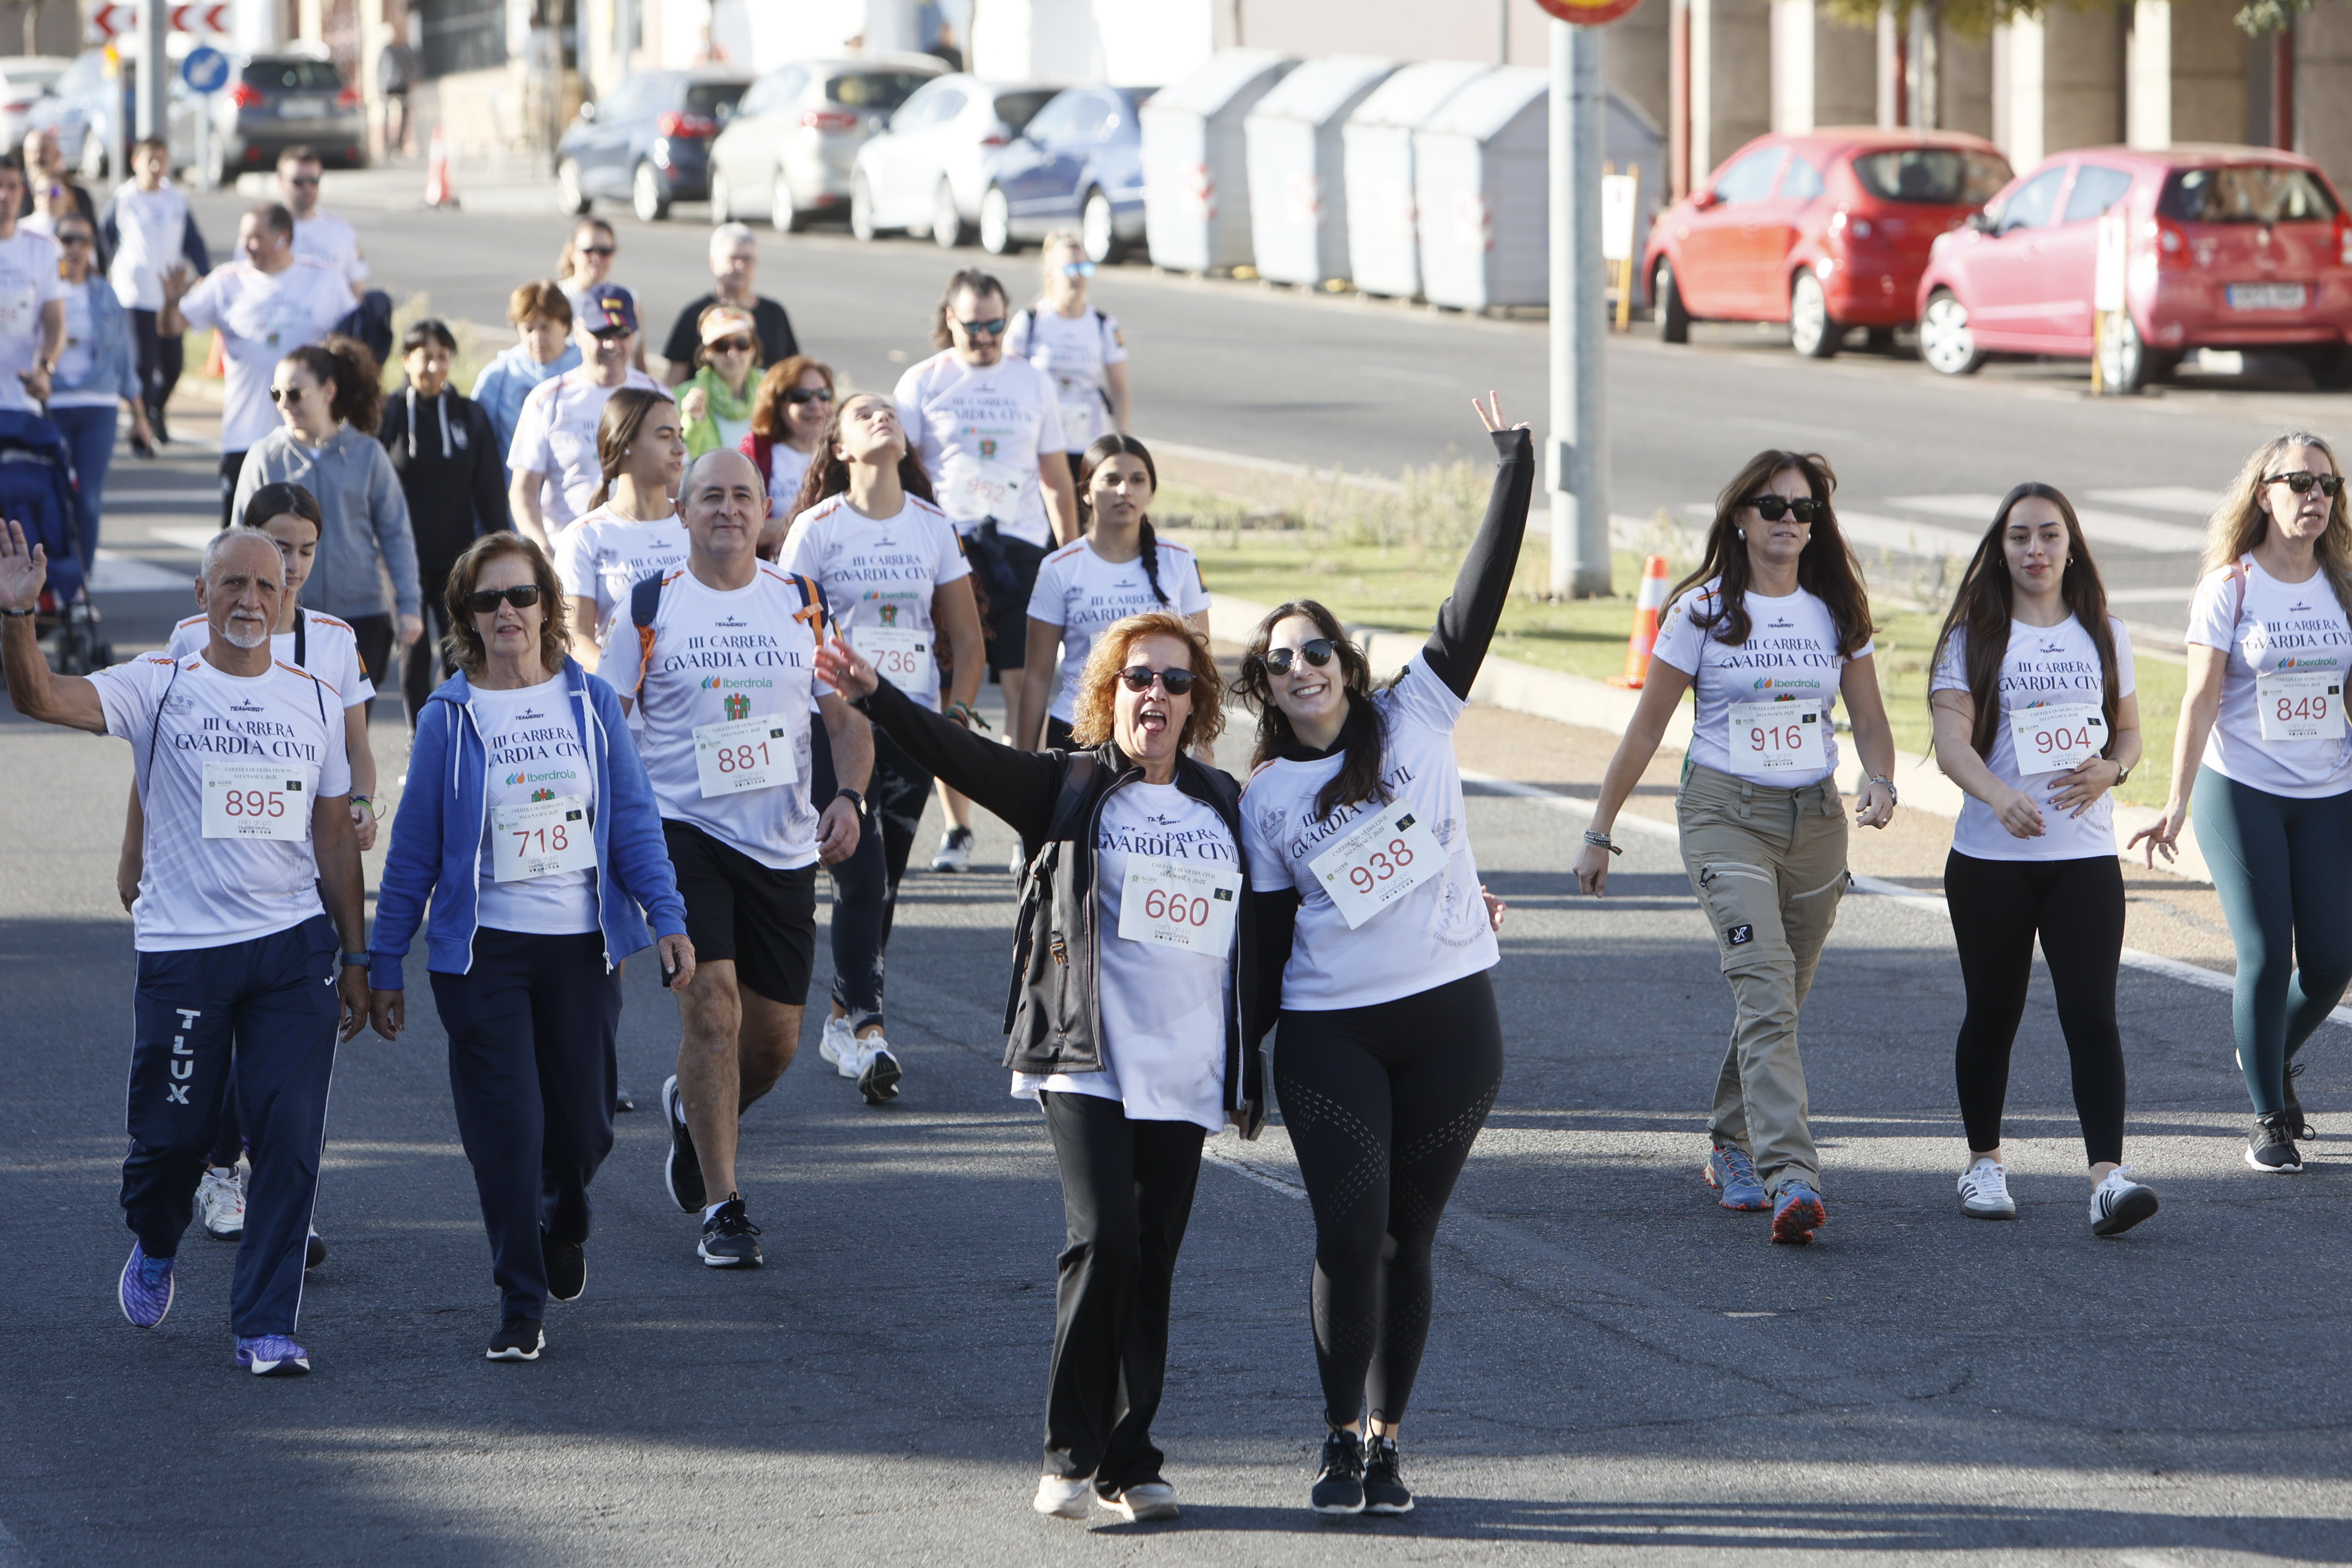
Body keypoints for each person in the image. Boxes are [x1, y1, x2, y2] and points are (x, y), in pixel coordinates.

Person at [814, 607, 1263, 1526]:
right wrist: (877, 697)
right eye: (1140, 678)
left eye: (1176, 683)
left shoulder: (1222, 802)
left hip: (1185, 1065)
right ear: (1111, 692)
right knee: (1108, 1240)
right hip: (1085, 1056)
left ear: (1196, 703)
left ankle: (1131, 1462)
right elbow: (955, 752)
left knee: (1155, 1261)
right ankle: (1068, 1455)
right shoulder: (1067, 786)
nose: (1157, 696)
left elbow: (1288, 904)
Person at [1230, 398, 1526, 1517]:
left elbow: (1478, 596)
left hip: (1454, 1026)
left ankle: (1390, 1438)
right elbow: (1262, 946)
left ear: (1347, 665)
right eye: (1278, 660)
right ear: (1264, 688)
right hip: (1329, 1036)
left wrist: (1514, 468)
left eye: (1316, 649)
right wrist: (1240, 1063)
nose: (1301, 666)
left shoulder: (1418, 719)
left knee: (1410, 1238)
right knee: (1348, 1233)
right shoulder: (1266, 798)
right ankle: (1336, 1438)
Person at [0, 521, 369, 1377]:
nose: (248, 601)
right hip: (187, 950)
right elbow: (42, 700)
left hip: (289, 949)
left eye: (266, 588)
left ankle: (266, 1324)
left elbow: (335, 841)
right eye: (231, 585)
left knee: (289, 1137)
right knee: (170, 1140)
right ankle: (157, 1237)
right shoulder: (159, 684)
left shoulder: (313, 697)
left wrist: (357, 958)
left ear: (286, 602)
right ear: (201, 596)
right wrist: (17, 619)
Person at [368, 531, 694, 1362]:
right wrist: (381, 962)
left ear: (550, 606)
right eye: (487, 600)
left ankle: (564, 1214)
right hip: (483, 957)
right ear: (466, 618)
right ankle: (519, 1302)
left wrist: (668, 916)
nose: (506, 611)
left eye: (521, 596)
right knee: (507, 1130)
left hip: (580, 949)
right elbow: (411, 854)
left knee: (584, 1130)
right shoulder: (451, 713)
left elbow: (631, 820)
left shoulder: (587, 704)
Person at [1574, 449, 1898, 1248]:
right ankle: (1793, 1175)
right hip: (1725, 813)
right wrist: (1599, 829)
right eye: (1774, 506)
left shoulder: (1834, 610)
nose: (1790, 520)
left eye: (1804, 509)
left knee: (1777, 997)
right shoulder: (1702, 610)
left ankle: (1729, 1139)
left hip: (1817, 820)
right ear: (1741, 518)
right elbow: (1647, 727)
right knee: (1762, 983)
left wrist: (1880, 779)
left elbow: (1869, 720)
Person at [597, 450, 870, 1268]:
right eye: (709, 496)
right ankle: (724, 1205)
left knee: (774, 1043)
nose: (726, 509)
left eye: (742, 496)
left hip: (782, 845)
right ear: (681, 511)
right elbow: (608, 729)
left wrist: (848, 797)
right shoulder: (648, 607)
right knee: (713, 1011)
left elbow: (847, 720)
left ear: (767, 512)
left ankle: (695, 1106)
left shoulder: (802, 603)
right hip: (680, 833)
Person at [133, 486, 380, 1254]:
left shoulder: (335, 641)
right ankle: (210, 1168)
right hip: (210, 875)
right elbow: (153, 755)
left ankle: (271, 1197)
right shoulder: (189, 635)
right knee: (213, 1051)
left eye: (303, 550)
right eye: (278, 548)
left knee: (282, 1053)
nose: (292, 565)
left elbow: (355, 747)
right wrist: (131, 851)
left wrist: (362, 801)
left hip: (304, 875)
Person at [1928, 484, 2159, 1236]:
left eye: (2049, 535)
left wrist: (2111, 770)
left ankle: (2106, 1178)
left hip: (2083, 856)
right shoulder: (1972, 634)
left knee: (2091, 1013)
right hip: (1991, 857)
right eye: (2020, 536)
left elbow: (2127, 735)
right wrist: (1998, 796)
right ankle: (1983, 1163)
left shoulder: (2102, 630)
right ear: (2000, 547)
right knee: (1993, 1013)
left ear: (2070, 545)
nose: (2035, 550)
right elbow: (1953, 742)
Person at [2130, 432, 2352, 1175]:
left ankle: (2264, 1049)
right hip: (2242, 787)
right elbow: (2197, 700)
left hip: (2329, 790)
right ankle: (2267, 1117)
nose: (2314, 497)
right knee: (2264, 952)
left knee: (2331, 961)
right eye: (2298, 483)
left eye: (2327, 484)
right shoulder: (2231, 585)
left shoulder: (2342, 582)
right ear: (2263, 494)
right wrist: (2175, 801)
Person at [778, 390, 983, 1102]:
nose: (883, 416)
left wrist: (953, 713)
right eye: (864, 412)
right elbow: (789, 629)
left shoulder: (932, 525)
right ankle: (868, 1029)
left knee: (884, 881)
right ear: (839, 447)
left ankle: (840, 1014)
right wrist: (829, 704)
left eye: (890, 410)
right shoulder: (816, 527)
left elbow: (968, 640)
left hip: (912, 726)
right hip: (835, 725)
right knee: (860, 876)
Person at [892, 266, 1077, 873]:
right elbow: (907, 475)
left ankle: (1025, 821)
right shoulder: (922, 383)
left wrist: (1073, 549)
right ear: (950, 320)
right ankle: (958, 826)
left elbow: (1055, 473)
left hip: (1019, 545)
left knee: (1025, 683)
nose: (986, 337)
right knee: (955, 688)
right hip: (950, 548)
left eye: (997, 324)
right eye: (974, 326)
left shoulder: (1032, 382)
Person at [231, 338, 422, 714]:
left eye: (295, 393)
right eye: (276, 393)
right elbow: (237, 541)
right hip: (283, 621)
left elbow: (396, 534)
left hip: (362, 618)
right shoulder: (264, 457)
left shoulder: (368, 454)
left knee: (350, 741)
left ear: (328, 391)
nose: (284, 403)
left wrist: (409, 605)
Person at [159, 203, 352, 525]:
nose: (246, 245)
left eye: (255, 237)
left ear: (283, 239)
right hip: (244, 439)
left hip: (307, 437)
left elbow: (353, 347)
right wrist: (170, 300)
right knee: (240, 539)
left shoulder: (325, 282)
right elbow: (170, 327)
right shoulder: (226, 281)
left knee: (304, 541)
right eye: (244, 237)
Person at [1021, 435, 1207, 753]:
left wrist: (1205, 746)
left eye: (1137, 480)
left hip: (1158, 731)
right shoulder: (1059, 568)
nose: (1125, 490)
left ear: (1150, 493)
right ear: (1086, 492)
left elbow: (1202, 668)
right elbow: (1037, 678)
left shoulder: (1180, 561)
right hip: (1078, 732)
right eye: (1112, 480)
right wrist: (1023, 762)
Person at [380, 318, 511, 729]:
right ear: (406, 360)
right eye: (424, 358)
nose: (434, 367)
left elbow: (489, 488)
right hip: (404, 558)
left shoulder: (467, 415)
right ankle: (419, 738)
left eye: (442, 358)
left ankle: (450, 729)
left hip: (459, 560)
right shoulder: (390, 413)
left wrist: (499, 551)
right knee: (414, 653)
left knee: (459, 651)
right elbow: (371, 484)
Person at [506, 282, 661, 549]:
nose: (612, 344)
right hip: (567, 553)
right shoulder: (547, 399)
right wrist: (543, 553)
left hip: (640, 551)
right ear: (578, 332)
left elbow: (675, 484)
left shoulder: (658, 396)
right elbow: (523, 491)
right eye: (600, 333)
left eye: (622, 333)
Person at [45, 210, 152, 572]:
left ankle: (81, 581)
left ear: (92, 248)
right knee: (52, 498)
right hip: (52, 403)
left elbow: (124, 360)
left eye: (83, 241)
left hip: (98, 406)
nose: (75, 248)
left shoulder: (106, 295)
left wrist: (139, 417)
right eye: (67, 240)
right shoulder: (44, 289)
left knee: (87, 500)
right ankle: (51, 584)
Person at [553, 386, 687, 669]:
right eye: (665, 436)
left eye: (680, 435)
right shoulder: (584, 536)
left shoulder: (698, 524)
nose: (680, 448)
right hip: (624, 708)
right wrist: (630, 683)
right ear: (624, 443)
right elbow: (575, 639)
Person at [102, 135, 210, 449]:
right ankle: (143, 432)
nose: (155, 166)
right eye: (148, 159)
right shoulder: (124, 199)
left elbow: (194, 242)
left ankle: (155, 412)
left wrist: (205, 274)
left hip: (169, 300)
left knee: (174, 366)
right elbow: (104, 242)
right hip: (134, 297)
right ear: (135, 162)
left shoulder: (177, 200)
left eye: (160, 159)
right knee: (144, 367)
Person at [1004, 233, 1130, 483]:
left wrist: (1123, 441)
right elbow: (1007, 381)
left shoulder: (1103, 325)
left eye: (1084, 268)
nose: (1077, 276)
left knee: (1083, 515)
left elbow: (1119, 388)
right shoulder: (1030, 322)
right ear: (1050, 275)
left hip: (1090, 443)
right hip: (1042, 441)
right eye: (1069, 268)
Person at [661, 222, 797, 385]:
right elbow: (674, 381)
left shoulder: (775, 314)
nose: (740, 266)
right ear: (713, 263)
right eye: (733, 258)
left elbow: (792, 374)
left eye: (747, 259)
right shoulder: (695, 315)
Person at [472, 279, 581, 472]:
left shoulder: (588, 369)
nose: (537, 339)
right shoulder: (499, 376)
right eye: (529, 330)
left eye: (546, 327)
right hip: (515, 497)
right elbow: (477, 444)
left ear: (565, 326)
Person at [0, 156, 65, 417]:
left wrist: (45, 368)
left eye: (12, 186)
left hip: (21, 400)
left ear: (22, 193)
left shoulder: (43, 250)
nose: (4, 195)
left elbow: (55, 321)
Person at [742, 355, 831, 535]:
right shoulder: (758, 451)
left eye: (823, 395)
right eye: (802, 397)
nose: (815, 405)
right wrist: (806, 526)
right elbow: (741, 528)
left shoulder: (842, 451)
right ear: (776, 404)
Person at [277, 148, 368, 302]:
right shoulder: (263, 229)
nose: (308, 188)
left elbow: (357, 289)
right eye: (298, 182)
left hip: (333, 325)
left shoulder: (342, 230)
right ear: (280, 182)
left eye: (314, 181)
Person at [676, 303, 761, 459]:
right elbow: (680, 459)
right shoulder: (681, 397)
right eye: (721, 345)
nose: (732, 353)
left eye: (742, 344)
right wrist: (694, 420)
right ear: (707, 352)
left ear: (754, 348)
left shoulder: (772, 393)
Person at [556, 217, 635, 326]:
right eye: (588, 251)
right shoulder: (556, 298)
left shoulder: (627, 299)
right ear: (572, 253)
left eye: (605, 252)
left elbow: (639, 342)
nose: (596, 259)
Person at [379, 34, 420, 156]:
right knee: (387, 113)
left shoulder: (405, 49)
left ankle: (399, 143)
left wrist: (412, 80)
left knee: (405, 113)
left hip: (403, 85)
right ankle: (387, 144)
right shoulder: (387, 50)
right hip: (389, 85)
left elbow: (413, 66)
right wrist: (380, 84)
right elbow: (380, 68)